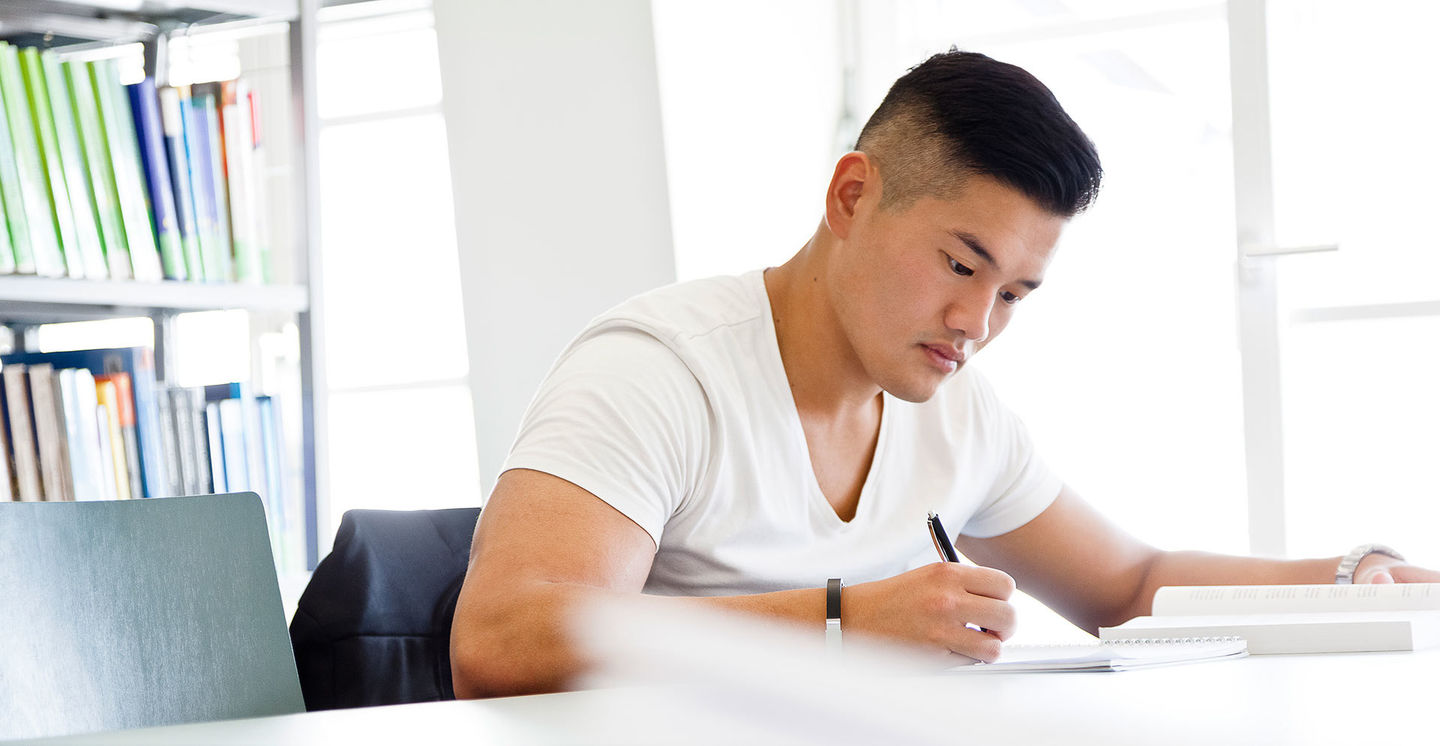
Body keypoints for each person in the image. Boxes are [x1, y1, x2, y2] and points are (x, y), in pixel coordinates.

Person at [448, 50, 1439, 698]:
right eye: (962, 264)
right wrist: (844, 619)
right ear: (851, 195)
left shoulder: (959, 410)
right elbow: (498, 638)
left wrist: (1356, 579)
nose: (977, 321)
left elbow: (1129, 584)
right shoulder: (658, 371)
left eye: (1015, 293)